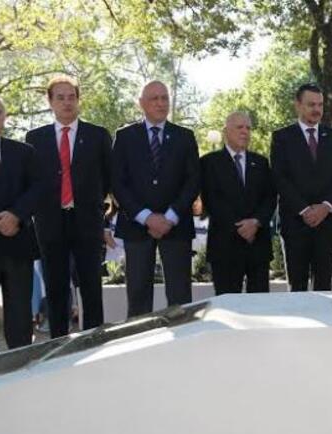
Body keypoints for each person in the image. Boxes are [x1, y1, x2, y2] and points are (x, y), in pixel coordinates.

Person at [26, 75, 112, 337]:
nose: (67, 102)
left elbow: (108, 177)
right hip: (50, 222)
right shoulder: (35, 137)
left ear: (78, 100)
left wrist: (101, 211)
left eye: (71, 97)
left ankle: (95, 340)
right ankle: (58, 344)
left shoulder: (97, 135)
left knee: (90, 285)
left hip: (87, 220)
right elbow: (30, 181)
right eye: (60, 97)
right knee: (55, 286)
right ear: (50, 101)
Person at [111, 81, 200, 317]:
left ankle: (182, 345)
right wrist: (146, 217)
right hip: (136, 227)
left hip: (177, 227)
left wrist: (170, 217)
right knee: (138, 296)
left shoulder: (185, 136)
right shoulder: (124, 136)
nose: (161, 103)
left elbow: (193, 182)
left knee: (180, 298)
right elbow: (118, 183)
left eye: (164, 98)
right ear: (141, 103)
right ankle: (140, 345)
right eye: (154, 99)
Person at [0, 93, 44, 355]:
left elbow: (39, 187)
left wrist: (15, 215)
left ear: (5, 117)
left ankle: (21, 370)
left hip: (18, 244)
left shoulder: (24, 152)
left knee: (19, 318)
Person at [271, 83, 332, 291]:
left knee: (323, 286)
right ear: (298, 105)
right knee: (297, 285)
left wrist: (325, 207)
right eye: (311, 104)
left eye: (320, 105)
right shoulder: (282, 138)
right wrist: (305, 210)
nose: (317, 109)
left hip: (328, 223)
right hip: (296, 223)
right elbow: (280, 178)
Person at [200, 112, 276, 294]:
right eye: (239, 127)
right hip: (225, 246)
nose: (245, 132)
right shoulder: (209, 163)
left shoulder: (261, 162)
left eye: (248, 128)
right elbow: (211, 200)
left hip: (258, 246)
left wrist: (255, 222)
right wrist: (241, 228)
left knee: (258, 308)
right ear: (226, 131)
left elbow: (271, 197)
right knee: (228, 309)